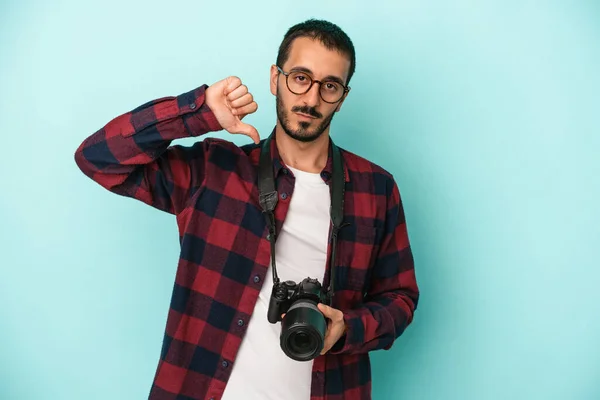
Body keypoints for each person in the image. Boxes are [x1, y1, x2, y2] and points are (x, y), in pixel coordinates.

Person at [74, 18, 419, 400]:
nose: (311, 98)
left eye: (330, 86)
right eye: (300, 78)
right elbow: (97, 159)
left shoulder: (376, 188)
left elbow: (400, 299)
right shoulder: (214, 170)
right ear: (275, 78)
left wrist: (347, 329)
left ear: (343, 96)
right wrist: (199, 111)